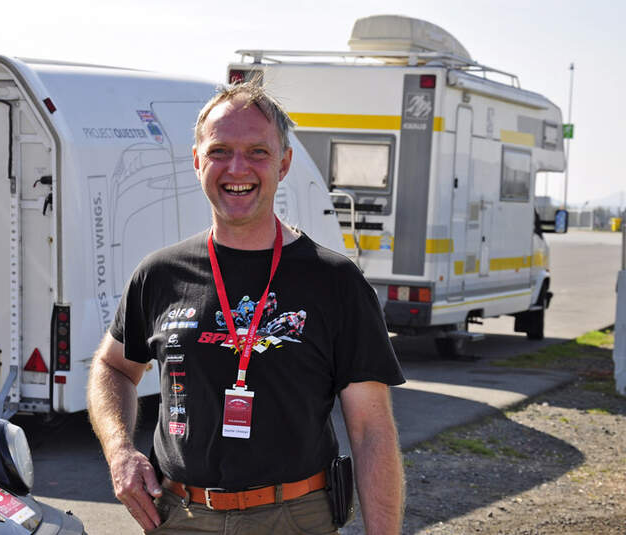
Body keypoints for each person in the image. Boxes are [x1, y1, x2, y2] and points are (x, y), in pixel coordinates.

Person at [87, 81, 405, 535]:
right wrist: (120, 450)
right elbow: (113, 367)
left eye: (258, 151)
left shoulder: (335, 282)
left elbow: (372, 430)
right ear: (197, 160)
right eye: (219, 151)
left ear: (284, 163)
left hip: (293, 518)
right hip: (179, 516)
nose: (238, 168)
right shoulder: (160, 273)